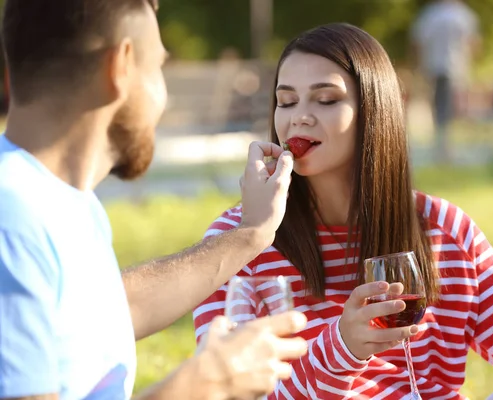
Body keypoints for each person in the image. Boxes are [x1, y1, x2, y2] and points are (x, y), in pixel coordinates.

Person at [193, 23, 493, 399]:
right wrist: (342, 348)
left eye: (326, 98)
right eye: (286, 101)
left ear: (375, 111)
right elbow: (228, 393)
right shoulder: (233, 244)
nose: (299, 115)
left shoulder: (445, 230)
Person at [0, 1, 308, 399]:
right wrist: (202, 385)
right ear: (121, 67)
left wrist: (252, 233)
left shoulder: (57, 201)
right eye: (159, 67)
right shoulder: (13, 220)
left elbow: (103, 315)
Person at [410, 0, 481, 162]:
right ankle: (446, 149)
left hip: (434, 68)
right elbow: (474, 43)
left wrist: (418, 65)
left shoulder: (431, 14)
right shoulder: (465, 15)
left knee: (440, 107)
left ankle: (443, 147)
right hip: (456, 68)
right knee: (450, 108)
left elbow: (418, 42)